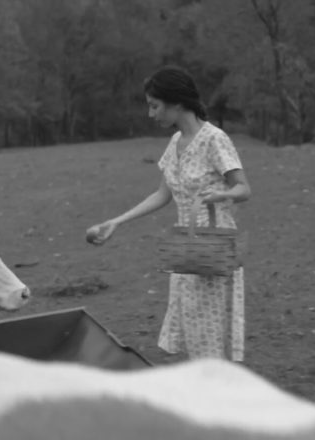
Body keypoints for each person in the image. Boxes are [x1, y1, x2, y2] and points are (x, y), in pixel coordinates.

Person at [86, 66, 251, 362]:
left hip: (213, 248)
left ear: (176, 102)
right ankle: (206, 384)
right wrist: (117, 222)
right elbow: (162, 194)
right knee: (194, 332)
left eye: (155, 106)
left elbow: (243, 188)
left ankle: (214, 386)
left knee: (209, 336)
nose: (151, 114)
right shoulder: (175, 142)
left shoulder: (214, 139)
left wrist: (221, 195)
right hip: (186, 248)